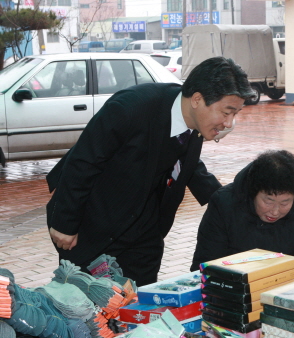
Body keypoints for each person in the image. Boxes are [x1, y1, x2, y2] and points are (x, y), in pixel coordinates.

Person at [46, 57, 255, 286]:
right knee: (87, 310)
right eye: (227, 112)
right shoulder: (131, 107)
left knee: (140, 306)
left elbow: (187, 163)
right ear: (197, 99)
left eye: (235, 114)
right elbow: (84, 161)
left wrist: (225, 200)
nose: (229, 123)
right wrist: (64, 222)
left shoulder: (194, 123)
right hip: (92, 226)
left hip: (144, 233)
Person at [190, 150, 294, 277]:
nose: (275, 211)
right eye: (268, 201)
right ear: (253, 192)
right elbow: (205, 265)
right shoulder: (224, 204)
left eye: (284, 203)